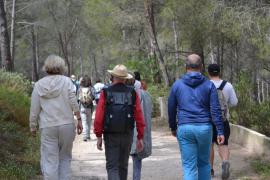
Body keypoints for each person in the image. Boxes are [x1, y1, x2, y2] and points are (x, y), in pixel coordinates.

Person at [168, 54, 225, 180]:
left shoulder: (177, 85)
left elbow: (171, 108)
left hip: (185, 127)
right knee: (204, 163)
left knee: (189, 166)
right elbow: (215, 110)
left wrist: (173, 127)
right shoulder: (209, 85)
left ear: (186, 67)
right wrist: (220, 131)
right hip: (204, 128)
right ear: (202, 67)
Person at [29, 54, 83, 180]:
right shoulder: (67, 81)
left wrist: (32, 126)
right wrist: (79, 119)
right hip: (66, 125)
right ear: (61, 67)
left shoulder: (38, 85)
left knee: (50, 161)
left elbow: (34, 109)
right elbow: (73, 101)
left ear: (46, 67)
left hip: (48, 127)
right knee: (65, 159)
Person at [94, 64, 145, 180]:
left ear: (113, 76)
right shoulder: (132, 93)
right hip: (127, 133)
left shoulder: (105, 92)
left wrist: (98, 135)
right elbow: (139, 116)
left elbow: (98, 116)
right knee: (123, 166)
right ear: (125, 78)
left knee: (112, 166)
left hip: (110, 134)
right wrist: (140, 137)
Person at [208, 64, 238, 179]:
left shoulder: (205, 85)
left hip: (208, 120)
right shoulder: (228, 85)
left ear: (209, 73)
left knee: (209, 145)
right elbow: (234, 102)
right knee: (223, 144)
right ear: (219, 72)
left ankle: (210, 170)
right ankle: (225, 162)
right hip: (223, 120)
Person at [129, 72, 152, 180]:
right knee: (137, 161)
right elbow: (147, 115)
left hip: (126, 133)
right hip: (138, 131)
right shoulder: (145, 94)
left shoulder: (127, 93)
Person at [78, 75, 95, 141]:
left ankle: (85, 136)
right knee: (89, 122)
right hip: (89, 107)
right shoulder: (91, 88)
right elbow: (93, 97)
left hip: (82, 107)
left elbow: (78, 98)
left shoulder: (80, 89)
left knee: (84, 122)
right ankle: (88, 135)